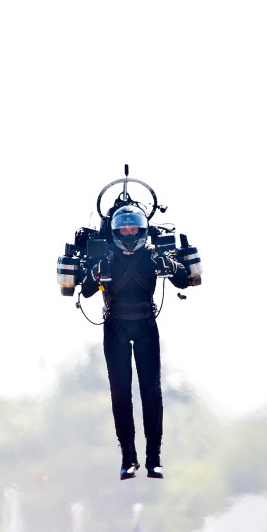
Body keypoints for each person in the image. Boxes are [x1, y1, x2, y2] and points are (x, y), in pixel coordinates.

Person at [81, 203, 189, 480]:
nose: (129, 233)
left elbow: (183, 281)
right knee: (120, 393)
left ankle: (154, 458)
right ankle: (128, 457)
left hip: (146, 326)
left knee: (151, 393)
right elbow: (86, 290)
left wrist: (172, 265)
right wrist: (94, 273)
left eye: (134, 228)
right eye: (124, 229)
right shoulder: (105, 257)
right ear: (116, 231)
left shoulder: (153, 255)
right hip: (114, 326)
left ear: (142, 230)